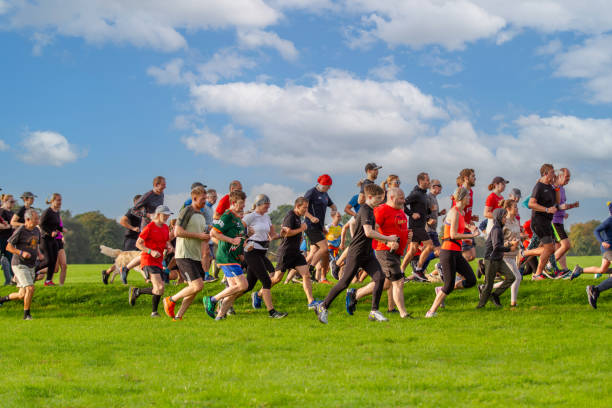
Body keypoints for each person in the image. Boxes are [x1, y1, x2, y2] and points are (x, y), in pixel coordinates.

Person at [315, 183, 397, 324]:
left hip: (367, 253)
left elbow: (371, 233)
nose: (381, 201)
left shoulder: (371, 210)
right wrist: (389, 238)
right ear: (369, 197)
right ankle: (322, 306)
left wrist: (386, 242)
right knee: (344, 283)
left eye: (382, 198)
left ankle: (374, 311)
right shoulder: (365, 210)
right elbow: (368, 232)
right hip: (357, 253)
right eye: (378, 198)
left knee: (380, 277)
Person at [347, 187, 411, 318]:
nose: (404, 200)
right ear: (392, 198)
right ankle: (404, 314)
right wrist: (387, 242)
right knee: (398, 281)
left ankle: (355, 294)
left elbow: (400, 228)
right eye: (401, 197)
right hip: (385, 251)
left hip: (396, 252)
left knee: (386, 283)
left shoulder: (400, 212)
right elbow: (373, 230)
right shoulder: (381, 210)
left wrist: (407, 237)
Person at [426, 187, 479, 318]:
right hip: (448, 251)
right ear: (461, 198)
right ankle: (431, 312)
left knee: (471, 280)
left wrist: (469, 228)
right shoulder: (454, 212)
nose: (469, 199)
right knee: (448, 285)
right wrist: (471, 235)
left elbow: (458, 229)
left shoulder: (460, 213)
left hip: (456, 252)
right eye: (467, 197)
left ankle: (440, 291)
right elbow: (453, 235)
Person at [261, 197, 320, 309]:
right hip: (285, 252)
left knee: (306, 274)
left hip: (296, 253)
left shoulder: (298, 217)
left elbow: (287, 233)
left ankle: (311, 302)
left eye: (307, 208)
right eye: (304, 208)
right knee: (277, 279)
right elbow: (286, 233)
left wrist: (300, 235)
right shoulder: (291, 215)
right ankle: (259, 294)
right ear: (297, 206)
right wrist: (301, 229)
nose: (306, 210)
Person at [163, 187, 210, 320]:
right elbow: (178, 232)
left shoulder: (201, 214)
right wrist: (199, 236)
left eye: (205, 199)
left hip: (195, 256)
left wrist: (205, 239)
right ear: (194, 198)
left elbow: (201, 235)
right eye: (202, 199)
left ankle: (178, 316)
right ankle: (170, 299)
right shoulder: (186, 211)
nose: (205, 202)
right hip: (184, 255)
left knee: (195, 288)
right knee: (197, 285)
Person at [203, 191, 249, 320]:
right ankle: (212, 300)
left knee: (235, 290)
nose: (243, 206)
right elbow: (213, 232)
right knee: (243, 286)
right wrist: (231, 241)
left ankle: (220, 315)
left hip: (233, 257)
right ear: (233, 203)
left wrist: (245, 239)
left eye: (244, 203)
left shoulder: (237, 218)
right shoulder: (227, 216)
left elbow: (237, 237)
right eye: (241, 203)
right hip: (226, 257)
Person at [243, 194, 287, 318]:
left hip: (262, 252)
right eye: (266, 206)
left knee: (248, 286)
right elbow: (238, 232)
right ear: (259, 205)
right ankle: (272, 312)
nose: (268, 209)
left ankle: (224, 301)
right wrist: (245, 243)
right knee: (267, 281)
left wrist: (283, 234)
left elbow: (272, 235)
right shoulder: (250, 216)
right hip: (252, 252)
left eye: (268, 206)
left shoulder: (267, 217)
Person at [128, 205, 173, 317]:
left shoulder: (165, 228)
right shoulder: (149, 227)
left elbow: (166, 241)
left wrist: (169, 246)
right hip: (148, 260)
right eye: (165, 214)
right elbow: (138, 243)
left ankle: (137, 292)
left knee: (160, 289)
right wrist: (150, 251)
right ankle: (154, 312)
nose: (167, 217)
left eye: (168, 215)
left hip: (159, 261)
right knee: (159, 287)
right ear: (158, 214)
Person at [0, 209, 44, 319]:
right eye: (36, 219)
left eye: (38, 218)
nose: (38, 221)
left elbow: (36, 245)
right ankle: (27, 315)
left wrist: (39, 254)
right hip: (19, 264)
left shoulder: (36, 231)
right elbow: (8, 247)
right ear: (28, 220)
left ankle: (1, 299)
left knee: (21, 295)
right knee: (30, 288)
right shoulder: (21, 230)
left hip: (31, 265)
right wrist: (21, 252)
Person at [120, 176, 166, 283]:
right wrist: (148, 215)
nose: (165, 186)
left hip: (157, 225)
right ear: (156, 185)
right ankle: (145, 271)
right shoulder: (148, 196)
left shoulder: (162, 194)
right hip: (147, 226)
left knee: (148, 251)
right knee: (148, 250)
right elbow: (134, 210)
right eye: (163, 185)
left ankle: (127, 268)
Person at [476, 208, 517, 309]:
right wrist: (510, 248)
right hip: (491, 260)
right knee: (489, 285)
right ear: (498, 217)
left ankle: (495, 295)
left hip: (498, 259)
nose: (505, 219)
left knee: (511, 277)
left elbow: (498, 244)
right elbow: (496, 247)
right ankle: (480, 306)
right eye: (504, 217)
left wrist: (509, 243)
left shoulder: (499, 228)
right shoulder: (496, 230)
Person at [526, 164, 558, 280]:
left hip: (547, 222)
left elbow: (557, 202)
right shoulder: (539, 186)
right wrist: (547, 209)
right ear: (545, 173)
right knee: (549, 248)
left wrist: (557, 187)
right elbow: (531, 204)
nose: (554, 174)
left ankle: (525, 256)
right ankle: (538, 273)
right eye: (552, 172)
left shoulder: (551, 187)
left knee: (551, 248)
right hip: (538, 221)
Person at [102, 194, 142, 284]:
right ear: (136, 202)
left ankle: (107, 272)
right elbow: (122, 221)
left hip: (139, 239)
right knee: (124, 259)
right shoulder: (132, 211)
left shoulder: (142, 213)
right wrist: (133, 228)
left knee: (140, 258)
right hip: (131, 239)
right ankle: (119, 278)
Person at [304, 174, 338, 282]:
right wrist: (311, 217)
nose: (329, 188)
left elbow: (332, 205)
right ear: (322, 184)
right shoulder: (311, 192)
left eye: (330, 186)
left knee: (319, 252)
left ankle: (303, 273)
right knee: (324, 248)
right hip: (310, 226)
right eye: (328, 186)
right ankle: (310, 270)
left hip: (319, 227)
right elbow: (302, 208)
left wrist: (333, 209)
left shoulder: (325, 194)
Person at [401, 172, 433, 281]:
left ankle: (400, 271)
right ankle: (418, 270)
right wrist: (411, 214)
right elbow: (402, 203)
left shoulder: (423, 194)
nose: (429, 182)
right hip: (416, 226)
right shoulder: (416, 193)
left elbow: (422, 210)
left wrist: (429, 214)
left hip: (420, 225)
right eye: (427, 180)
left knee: (413, 250)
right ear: (421, 181)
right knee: (430, 246)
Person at [571, 201, 612, 284]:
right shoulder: (609, 221)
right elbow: (596, 230)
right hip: (608, 250)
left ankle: (580, 270)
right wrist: (602, 242)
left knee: (602, 270)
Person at [551, 168, 579, 275]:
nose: (569, 179)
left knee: (560, 247)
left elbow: (561, 205)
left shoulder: (562, 189)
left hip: (560, 220)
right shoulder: (554, 188)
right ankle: (549, 266)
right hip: (554, 221)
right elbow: (552, 205)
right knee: (566, 245)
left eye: (569, 177)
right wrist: (563, 207)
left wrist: (566, 211)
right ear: (560, 176)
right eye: (567, 177)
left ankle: (564, 270)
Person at [497, 200, 523, 307]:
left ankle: (485, 288)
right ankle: (513, 303)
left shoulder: (516, 221)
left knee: (511, 279)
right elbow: (498, 241)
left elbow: (517, 237)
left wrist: (521, 244)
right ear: (508, 209)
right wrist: (510, 244)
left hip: (514, 255)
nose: (517, 209)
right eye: (515, 207)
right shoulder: (504, 222)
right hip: (505, 255)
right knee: (517, 277)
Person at [454, 169, 479, 262]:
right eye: (473, 176)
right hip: (460, 229)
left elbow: (465, 211)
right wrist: (467, 225)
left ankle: (443, 266)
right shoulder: (460, 191)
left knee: (472, 256)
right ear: (466, 178)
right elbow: (456, 213)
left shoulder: (471, 192)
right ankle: (444, 267)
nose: (475, 178)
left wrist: (471, 218)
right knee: (467, 256)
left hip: (467, 228)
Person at [40, 193, 63, 286]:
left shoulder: (57, 212)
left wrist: (62, 229)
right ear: (52, 201)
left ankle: (48, 281)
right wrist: (50, 232)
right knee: (48, 261)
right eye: (58, 200)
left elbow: (57, 225)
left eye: (60, 200)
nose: (60, 202)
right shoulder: (47, 212)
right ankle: (34, 271)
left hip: (54, 239)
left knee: (53, 261)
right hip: (45, 239)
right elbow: (41, 224)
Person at [0, 194, 16, 285]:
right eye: (11, 201)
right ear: (4, 201)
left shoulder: (11, 213)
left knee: (8, 258)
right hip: (3, 239)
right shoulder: (2, 211)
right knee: (9, 258)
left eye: (14, 202)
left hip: (10, 239)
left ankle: (10, 280)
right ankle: (12, 279)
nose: (13, 203)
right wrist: (9, 226)